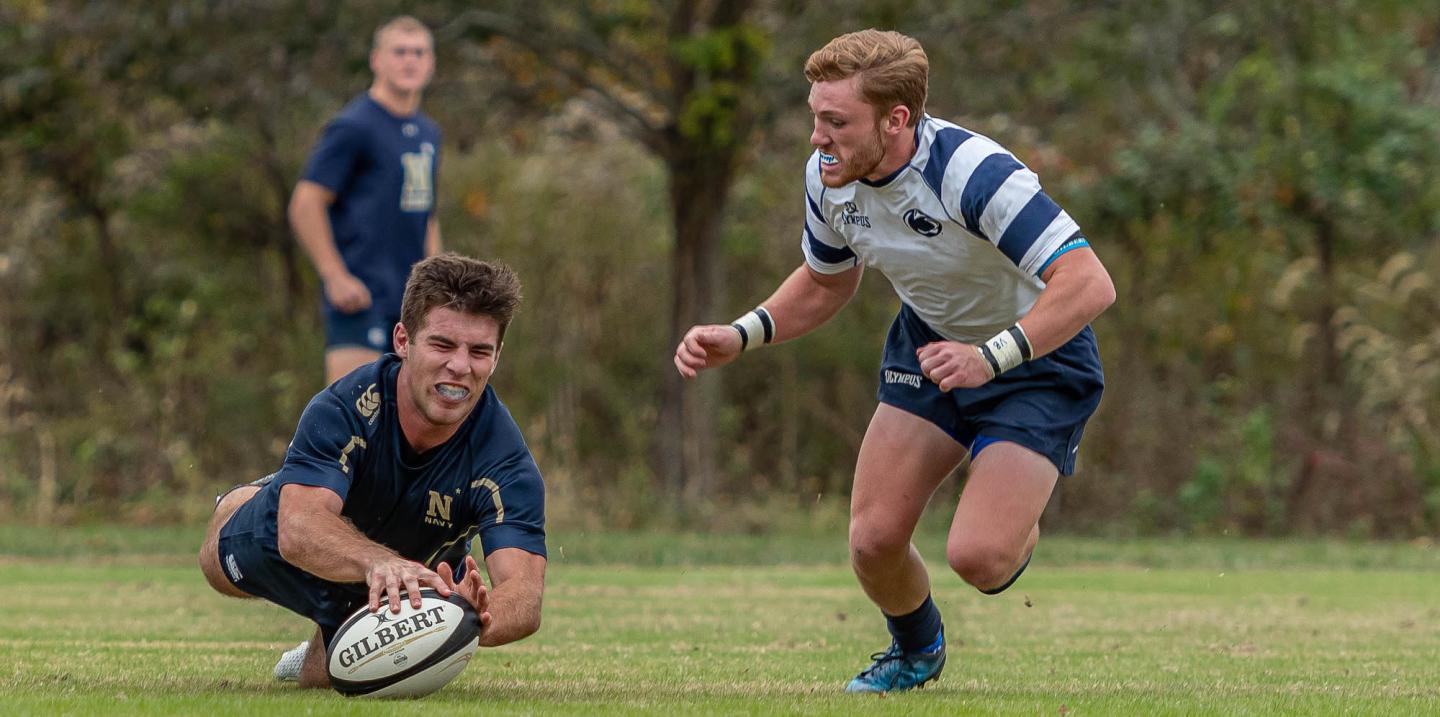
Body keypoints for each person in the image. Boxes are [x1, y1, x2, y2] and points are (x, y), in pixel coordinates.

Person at [673, 29, 1114, 694]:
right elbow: (826, 281)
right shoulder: (828, 176)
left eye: (836, 121)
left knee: (981, 558)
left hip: (1036, 360)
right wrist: (742, 334)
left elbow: (1089, 283)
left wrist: (989, 357)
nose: (819, 138)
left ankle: (1015, 523)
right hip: (931, 346)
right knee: (873, 540)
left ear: (897, 119)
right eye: (816, 118)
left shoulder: (973, 172)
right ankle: (916, 651)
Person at [199, 254, 546, 688]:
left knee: (333, 685)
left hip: (416, 571)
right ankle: (264, 492)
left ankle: (329, 638)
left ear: (496, 357)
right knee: (217, 561)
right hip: (317, 533)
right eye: (442, 345)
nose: (460, 366)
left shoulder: (507, 461)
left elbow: (525, 596)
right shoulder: (344, 407)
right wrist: (378, 561)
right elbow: (297, 528)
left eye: (479, 352)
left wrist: (473, 616)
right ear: (403, 340)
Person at [289, 15, 444, 385]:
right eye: (400, 52)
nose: (410, 60)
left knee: (407, 423)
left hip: (410, 301)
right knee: (353, 416)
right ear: (377, 60)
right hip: (361, 298)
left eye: (419, 52)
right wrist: (335, 276)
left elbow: (427, 216)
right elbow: (305, 203)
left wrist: (438, 285)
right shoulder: (354, 126)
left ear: (431, 63)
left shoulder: (428, 132)